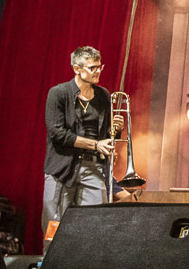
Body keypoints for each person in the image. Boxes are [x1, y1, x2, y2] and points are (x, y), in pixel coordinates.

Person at [42, 46, 129, 236]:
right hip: (63, 169)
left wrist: (116, 130)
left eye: (100, 67)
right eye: (92, 68)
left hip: (93, 168)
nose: (98, 71)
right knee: (54, 227)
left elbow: (106, 134)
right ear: (77, 69)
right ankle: (51, 256)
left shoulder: (103, 95)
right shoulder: (59, 93)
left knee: (96, 227)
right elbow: (57, 133)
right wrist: (95, 144)